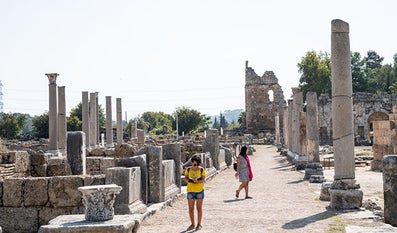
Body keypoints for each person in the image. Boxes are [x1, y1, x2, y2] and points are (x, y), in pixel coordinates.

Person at [184, 155, 206, 231]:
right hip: (190, 191)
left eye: (197, 164)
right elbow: (185, 179)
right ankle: (192, 224)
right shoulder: (188, 169)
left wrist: (198, 181)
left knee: (199, 208)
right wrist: (188, 180)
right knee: (191, 209)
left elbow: (203, 179)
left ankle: (199, 224)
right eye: (194, 164)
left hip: (199, 191)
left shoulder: (201, 170)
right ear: (192, 163)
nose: (196, 166)